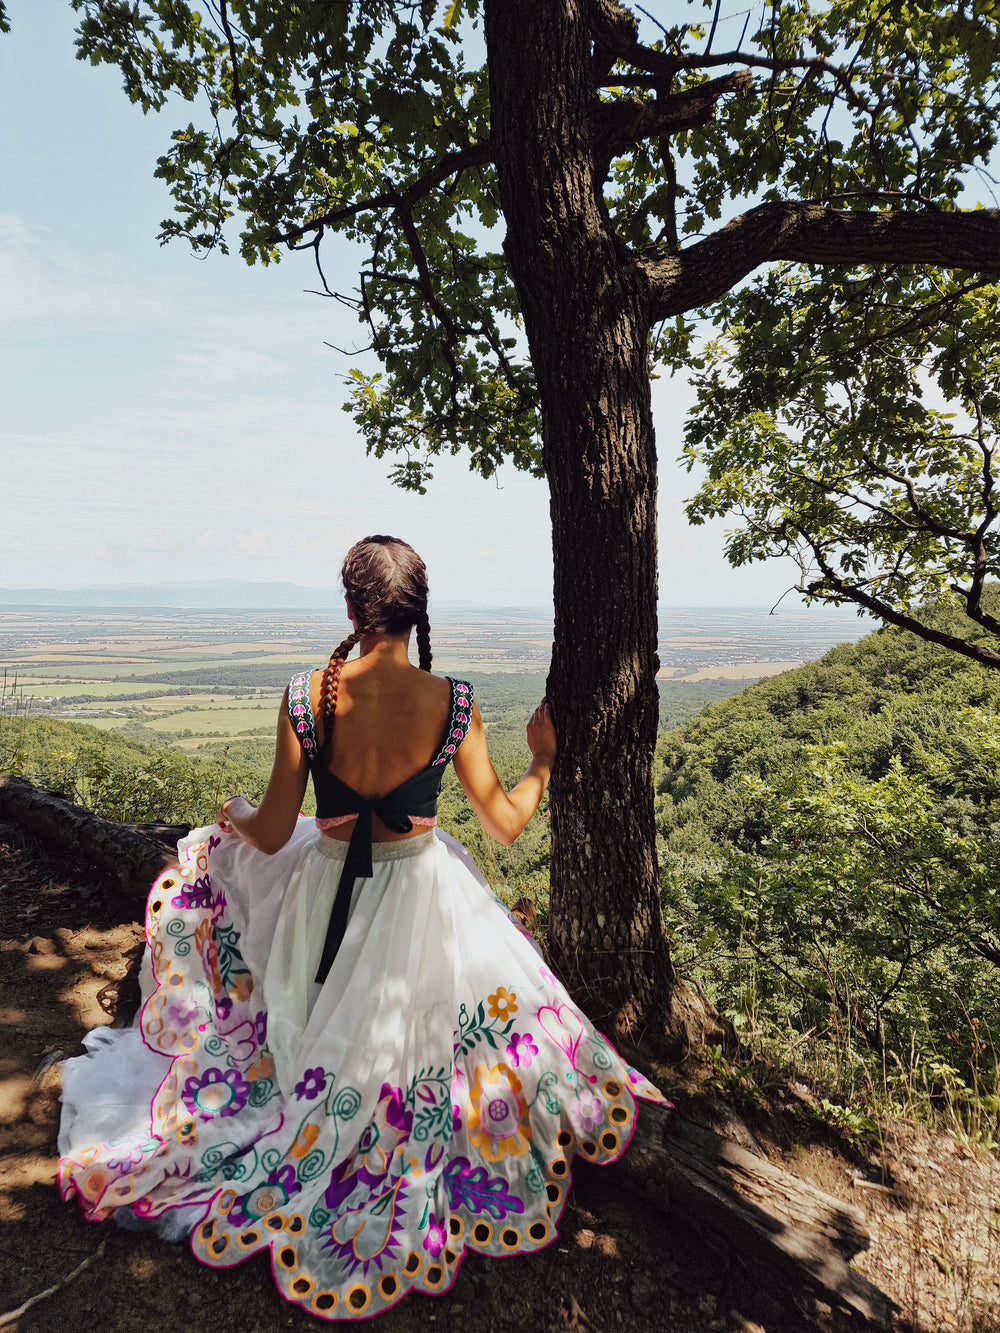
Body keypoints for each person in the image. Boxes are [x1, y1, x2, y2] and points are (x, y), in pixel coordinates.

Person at [58, 535, 666, 1321]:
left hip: (324, 893)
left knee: (230, 885)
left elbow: (274, 832)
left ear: (349, 609)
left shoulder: (307, 693)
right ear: (419, 611)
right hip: (420, 888)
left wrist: (232, 813)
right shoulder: (455, 700)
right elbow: (508, 823)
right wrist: (541, 760)